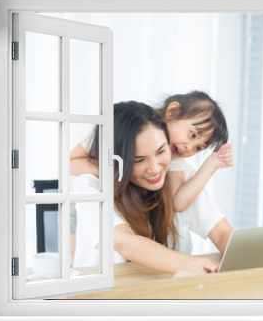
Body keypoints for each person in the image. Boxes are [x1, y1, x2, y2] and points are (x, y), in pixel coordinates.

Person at [72, 101, 232, 274]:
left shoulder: (180, 176)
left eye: (161, 151)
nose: (155, 169)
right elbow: (125, 242)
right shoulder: (90, 185)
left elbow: (222, 232)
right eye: (139, 160)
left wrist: (236, 255)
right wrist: (186, 264)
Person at [71, 91, 234, 214]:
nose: (189, 148)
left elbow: (178, 202)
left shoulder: (173, 156)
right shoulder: (126, 125)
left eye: (198, 148)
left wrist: (212, 164)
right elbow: (70, 163)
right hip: (82, 206)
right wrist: (120, 170)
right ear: (173, 111)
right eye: (192, 135)